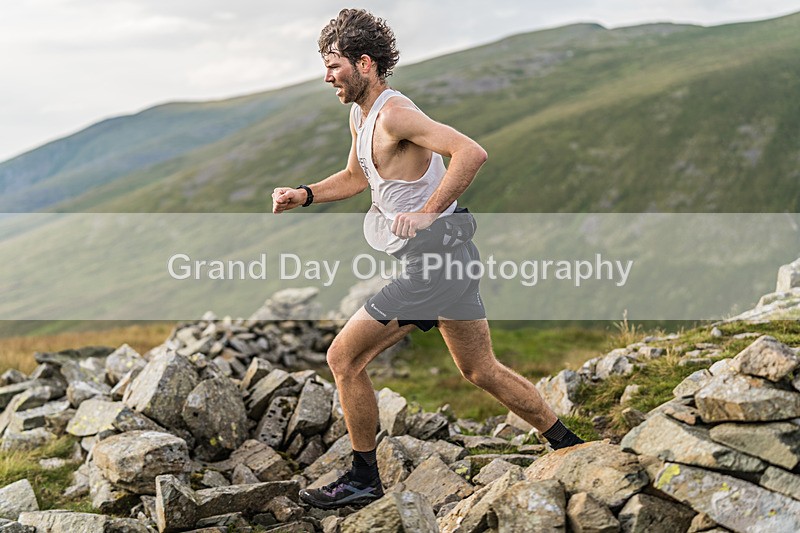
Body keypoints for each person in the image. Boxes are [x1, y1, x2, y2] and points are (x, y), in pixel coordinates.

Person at [272, 8, 584, 510]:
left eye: (333, 64)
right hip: (452, 256)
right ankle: (571, 446)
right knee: (480, 370)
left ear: (364, 63)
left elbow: (471, 152)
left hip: (433, 261)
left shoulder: (395, 113)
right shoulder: (361, 115)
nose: (327, 76)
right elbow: (357, 178)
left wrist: (426, 211)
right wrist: (304, 194)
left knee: (343, 358)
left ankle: (362, 478)